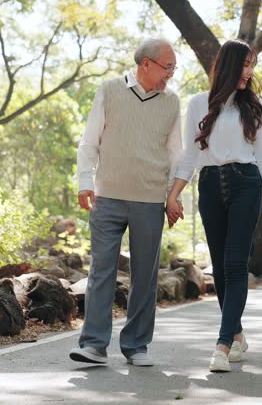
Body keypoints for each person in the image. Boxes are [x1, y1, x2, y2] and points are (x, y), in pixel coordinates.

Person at [166, 39, 262, 373]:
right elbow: (190, 155)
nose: (249, 72)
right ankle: (237, 332)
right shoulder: (198, 103)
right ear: (230, 65)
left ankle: (222, 344)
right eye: (245, 64)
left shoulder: (254, 107)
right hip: (211, 185)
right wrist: (174, 194)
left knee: (234, 263)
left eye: (252, 66)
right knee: (219, 266)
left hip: (246, 184)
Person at [69, 38, 181, 367]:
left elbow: (177, 153)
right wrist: (85, 182)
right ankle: (93, 344)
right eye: (167, 67)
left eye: (173, 68)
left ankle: (136, 345)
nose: (170, 75)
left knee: (144, 276)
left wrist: (174, 195)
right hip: (107, 197)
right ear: (145, 64)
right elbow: (90, 140)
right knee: (101, 272)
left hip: (149, 199)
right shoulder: (110, 90)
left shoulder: (171, 102)